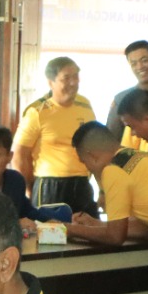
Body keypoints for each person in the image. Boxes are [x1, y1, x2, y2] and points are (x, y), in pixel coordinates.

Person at [14, 56, 98, 214]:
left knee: (87, 227)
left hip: (82, 183)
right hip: (49, 186)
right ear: (50, 82)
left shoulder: (85, 106)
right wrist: (28, 188)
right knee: (51, 230)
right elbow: (19, 155)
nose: (73, 83)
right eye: (66, 78)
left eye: (75, 76)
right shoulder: (37, 111)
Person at [105, 40, 148, 142]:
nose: (140, 67)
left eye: (144, 60)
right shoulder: (121, 99)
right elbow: (111, 138)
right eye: (134, 64)